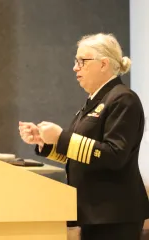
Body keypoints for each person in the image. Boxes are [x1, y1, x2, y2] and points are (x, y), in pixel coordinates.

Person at [19, 33, 149, 240]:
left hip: (114, 213)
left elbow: (115, 155)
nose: (75, 67)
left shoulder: (123, 99)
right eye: (75, 61)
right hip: (95, 211)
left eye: (82, 61)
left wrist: (62, 137)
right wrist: (47, 143)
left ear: (104, 64)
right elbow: (83, 155)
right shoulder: (96, 101)